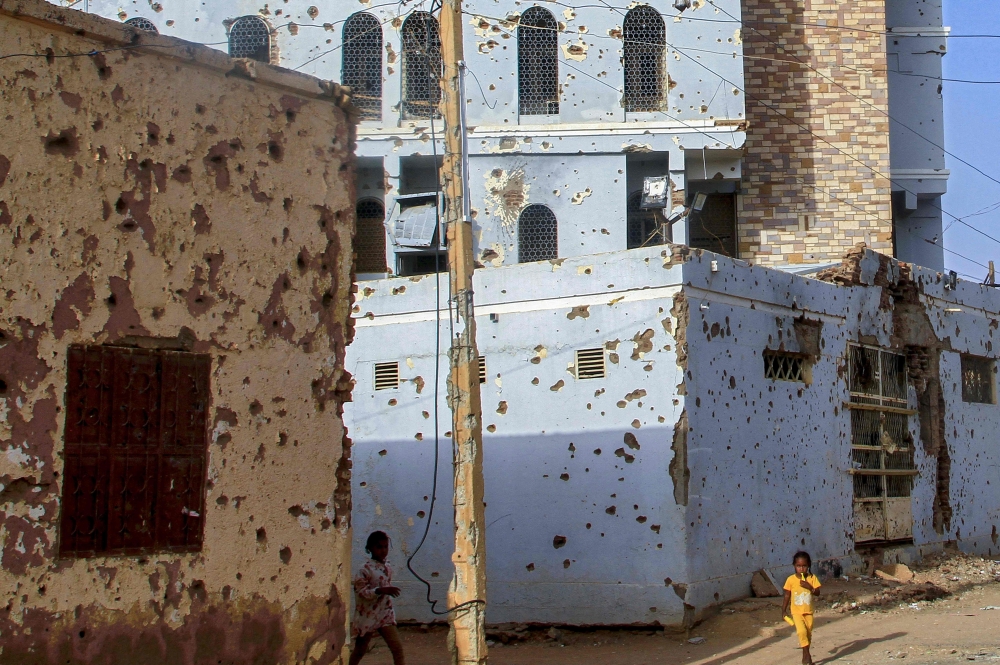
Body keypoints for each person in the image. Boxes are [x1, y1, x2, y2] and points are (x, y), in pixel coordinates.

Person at [350, 531, 405, 665]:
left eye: (385, 547)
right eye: (379, 547)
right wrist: (380, 590)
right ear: (370, 548)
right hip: (368, 616)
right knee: (360, 650)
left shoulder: (387, 567)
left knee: (397, 648)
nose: (383, 550)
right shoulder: (364, 569)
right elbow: (361, 592)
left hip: (385, 615)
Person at [782, 551, 822, 665]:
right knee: (801, 632)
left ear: (808, 565)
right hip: (796, 612)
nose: (801, 569)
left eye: (804, 566)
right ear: (794, 566)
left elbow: (818, 592)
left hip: (808, 611)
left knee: (808, 634)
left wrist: (810, 587)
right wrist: (783, 610)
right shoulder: (791, 579)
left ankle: (805, 656)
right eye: (798, 566)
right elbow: (787, 595)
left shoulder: (812, 578)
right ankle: (807, 656)